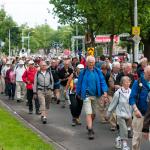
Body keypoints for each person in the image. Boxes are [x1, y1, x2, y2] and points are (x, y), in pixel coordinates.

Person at [76, 55, 108, 140]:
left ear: (94, 63)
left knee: (94, 114)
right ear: (86, 63)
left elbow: (102, 81)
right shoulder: (83, 72)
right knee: (89, 113)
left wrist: (105, 91)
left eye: (92, 62)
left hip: (95, 95)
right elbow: (79, 83)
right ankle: (90, 130)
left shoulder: (98, 71)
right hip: (86, 95)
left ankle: (89, 125)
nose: (91, 64)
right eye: (89, 62)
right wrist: (78, 93)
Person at [106, 76, 132, 150]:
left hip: (129, 115)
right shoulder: (118, 93)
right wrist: (108, 113)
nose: (127, 83)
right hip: (120, 114)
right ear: (122, 83)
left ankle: (118, 139)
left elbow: (133, 103)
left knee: (125, 130)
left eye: (129, 82)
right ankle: (125, 145)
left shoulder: (131, 91)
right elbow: (113, 104)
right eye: (126, 82)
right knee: (124, 130)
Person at [129, 65, 150, 150]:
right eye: (149, 75)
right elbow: (131, 98)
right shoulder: (137, 83)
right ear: (144, 73)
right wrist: (135, 109)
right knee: (137, 137)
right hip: (140, 113)